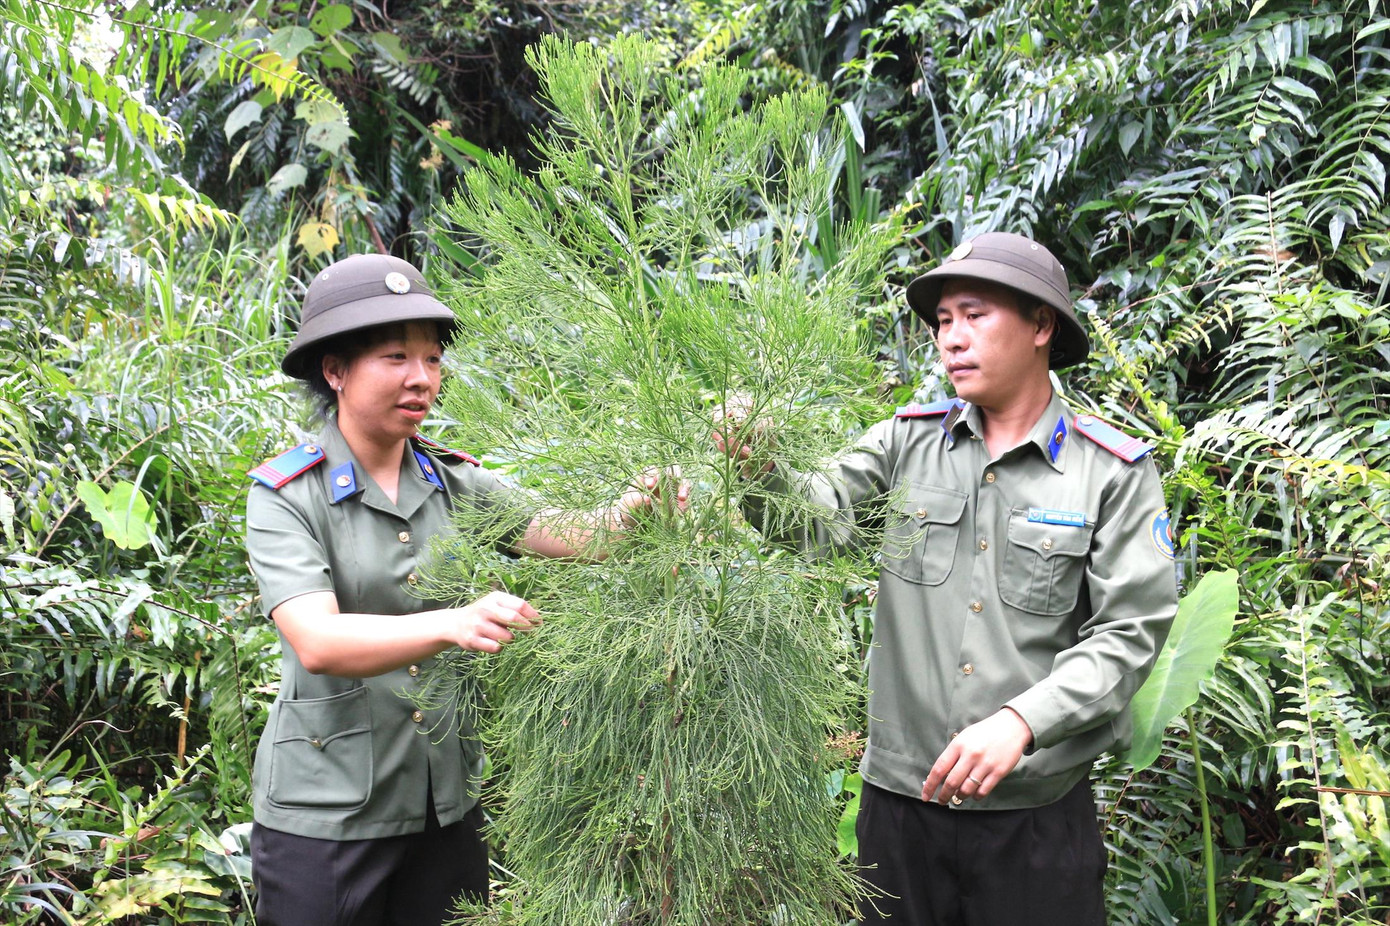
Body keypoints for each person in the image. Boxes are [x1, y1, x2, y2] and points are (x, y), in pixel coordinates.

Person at [714, 232, 1178, 925]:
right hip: (900, 814)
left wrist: (1024, 721)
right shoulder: (906, 442)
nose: (952, 339)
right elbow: (814, 519)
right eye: (942, 322)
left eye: (974, 315)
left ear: (1041, 326)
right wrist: (756, 466)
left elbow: (1130, 632)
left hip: (1034, 820)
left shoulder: (1109, 471)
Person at [244, 253, 683, 926]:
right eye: (395, 357)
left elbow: (581, 536)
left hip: (441, 805)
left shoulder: (453, 483)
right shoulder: (288, 496)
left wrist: (640, 501)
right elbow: (318, 640)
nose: (422, 378)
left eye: (432, 359)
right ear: (334, 372)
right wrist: (452, 622)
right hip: (326, 817)